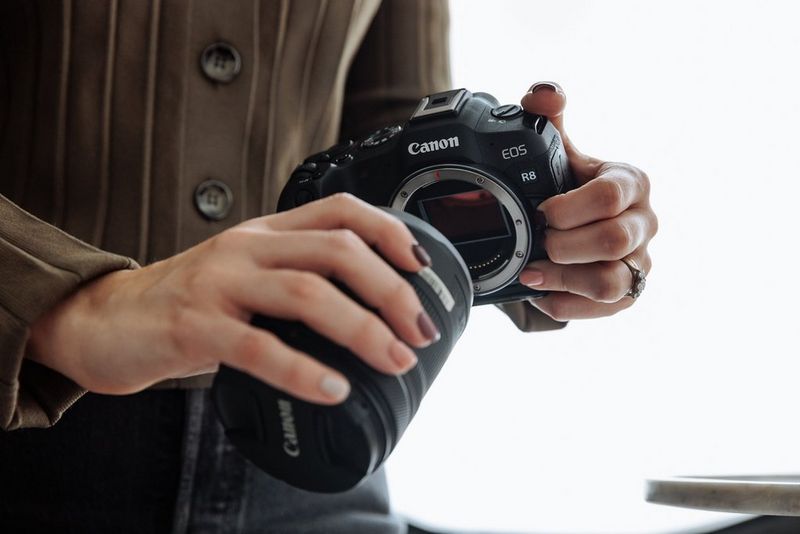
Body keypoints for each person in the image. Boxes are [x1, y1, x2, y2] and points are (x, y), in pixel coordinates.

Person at [0, 0, 656, 532]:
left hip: (325, 430)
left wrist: (553, 225)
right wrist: (82, 307)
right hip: (29, 431)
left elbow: (401, 136)